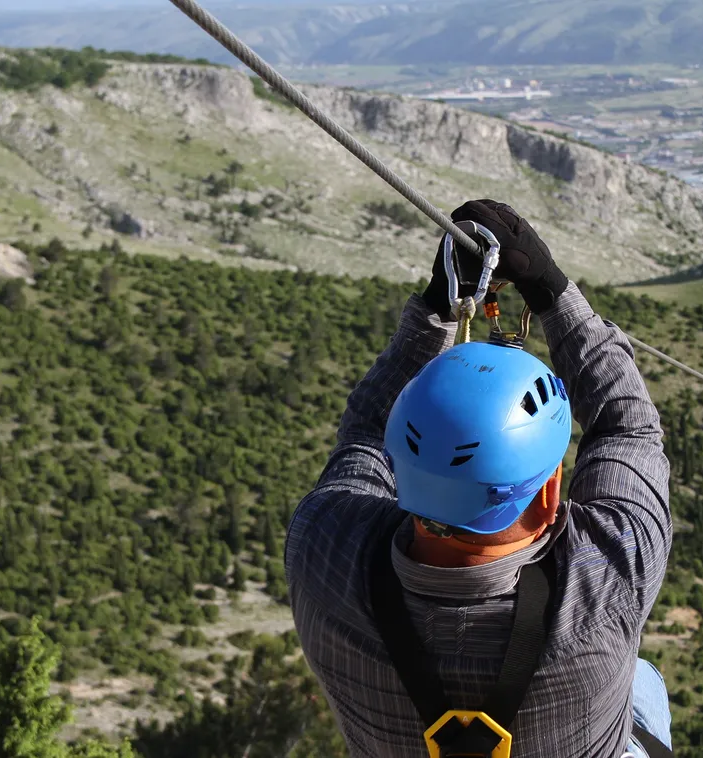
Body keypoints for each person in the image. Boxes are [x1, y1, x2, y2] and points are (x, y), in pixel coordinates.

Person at [286, 199, 674, 758]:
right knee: (643, 681)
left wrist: (439, 306)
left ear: (402, 467)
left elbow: (363, 439)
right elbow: (628, 427)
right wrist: (550, 290)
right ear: (546, 499)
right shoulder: (604, 581)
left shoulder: (323, 549)